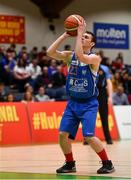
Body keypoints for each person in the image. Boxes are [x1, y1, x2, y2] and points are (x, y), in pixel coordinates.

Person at [47, 19, 115, 174]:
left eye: (86, 37)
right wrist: (65, 35)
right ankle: (70, 163)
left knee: (89, 136)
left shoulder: (94, 58)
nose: (82, 37)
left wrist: (77, 34)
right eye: (82, 36)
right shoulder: (70, 57)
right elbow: (49, 52)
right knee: (62, 135)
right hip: (72, 103)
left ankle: (107, 163)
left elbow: (81, 55)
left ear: (92, 44)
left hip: (89, 104)